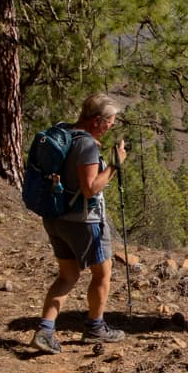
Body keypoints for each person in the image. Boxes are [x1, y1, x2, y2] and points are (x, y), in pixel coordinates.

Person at [32, 93, 129, 353]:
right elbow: (89, 188)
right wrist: (114, 166)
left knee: (68, 275)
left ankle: (45, 329)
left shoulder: (65, 133)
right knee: (102, 273)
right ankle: (95, 327)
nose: (111, 126)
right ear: (97, 120)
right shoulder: (86, 145)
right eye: (110, 121)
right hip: (82, 220)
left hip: (55, 217)